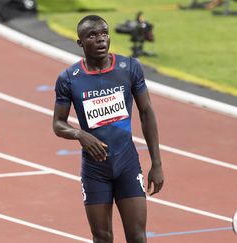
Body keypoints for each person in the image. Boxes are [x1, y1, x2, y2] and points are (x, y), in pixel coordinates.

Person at [53, 15, 164, 243]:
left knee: (137, 237)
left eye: (104, 33)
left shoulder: (129, 67)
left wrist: (157, 163)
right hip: (95, 170)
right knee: (102, 238)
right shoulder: (69, 79)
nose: (101, 39)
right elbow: (58, 124)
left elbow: (146, 113)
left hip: (127, 163)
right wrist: (80, 134)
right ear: (80, 43)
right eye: (92, 35)